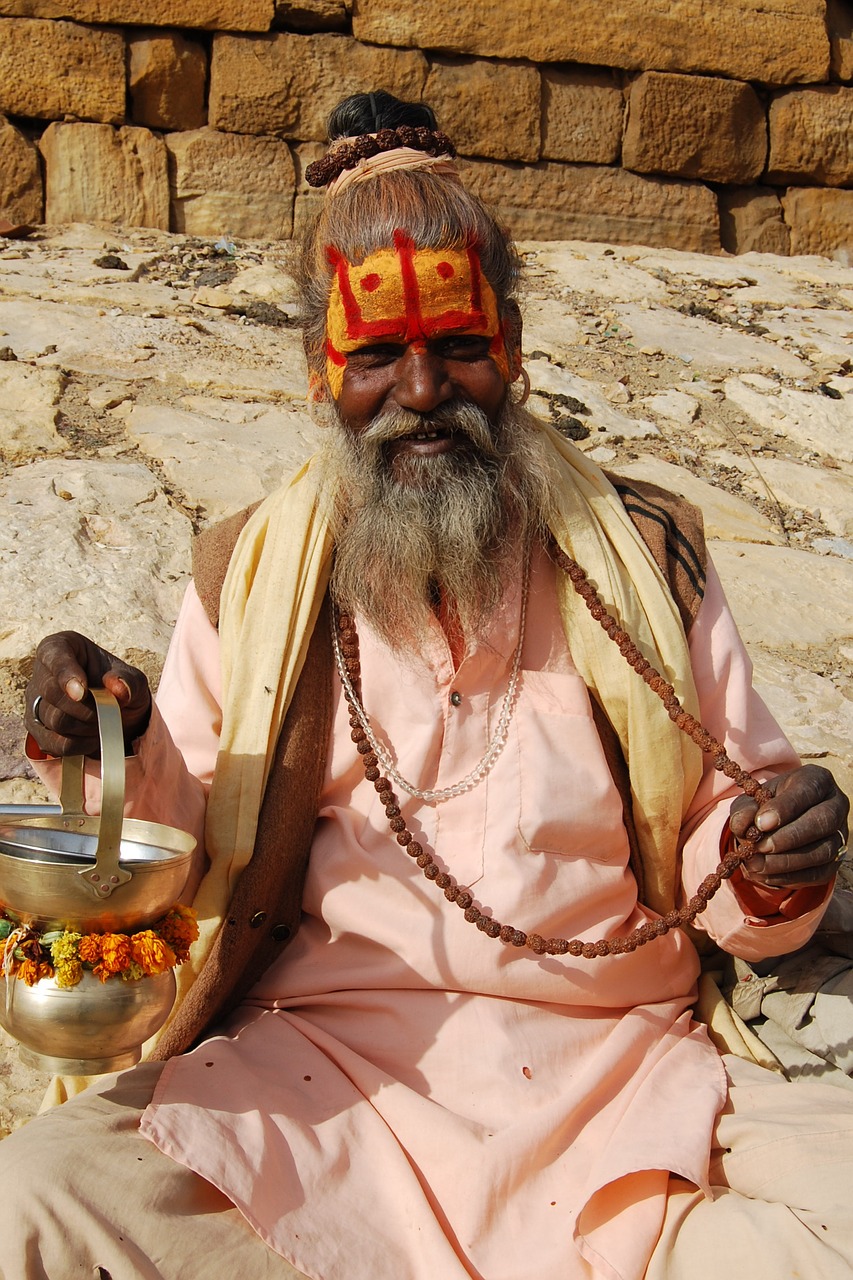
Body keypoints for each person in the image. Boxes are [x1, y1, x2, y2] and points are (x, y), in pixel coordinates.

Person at [2, 90, 851, 1280]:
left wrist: (772, 858)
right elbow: (178, 849)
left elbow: (724, 845)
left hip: (618, 1072)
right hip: (327, 1071)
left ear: (509, 341)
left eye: (457, 346)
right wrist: (108, 733)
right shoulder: (248, 571)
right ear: (319, 370)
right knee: (34, 1198)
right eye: (376, 356)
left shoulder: (644, 556)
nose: (419, 392)